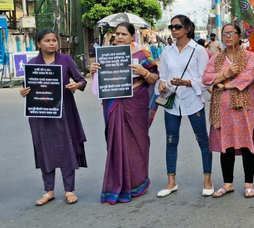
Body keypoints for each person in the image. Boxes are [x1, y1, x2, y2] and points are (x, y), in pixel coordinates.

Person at [90, 23, 160, 204]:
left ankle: (138, 183)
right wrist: (94, 72)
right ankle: (118, 185)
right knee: (116, 142)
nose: (119, 37)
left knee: (137, 142)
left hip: (136, 104)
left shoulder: (142, 55)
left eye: (124, 34)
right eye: (117, 34)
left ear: (132, 36)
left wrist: (143, 72)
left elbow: (154, 79)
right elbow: (100, 86)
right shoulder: (106, 56)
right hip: (114, 104)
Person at [20, 29, 88, 206]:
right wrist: (23, 92)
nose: (52, 43)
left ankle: (69, 190)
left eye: (54, 40)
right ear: (39, 44)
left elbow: (82, 80)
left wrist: (76, 85)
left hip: (64, 112)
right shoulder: (32, 63)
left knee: (66, 148)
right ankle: (48, 191)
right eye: (47, 41)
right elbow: (28, 88)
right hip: (40, 115)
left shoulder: (66, 60)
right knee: (45, 151)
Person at [203, 24, 254, 198]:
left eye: (232, 33)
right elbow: (206, 78)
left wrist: (223, 85)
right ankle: (227, 184)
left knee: (247, 146)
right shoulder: (216, 58)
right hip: (222, 110)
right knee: (226, 146)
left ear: (239, 36)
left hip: (243, 110)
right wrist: (226, 74)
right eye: (225, 34)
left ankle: (248, 184)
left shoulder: (249, 56)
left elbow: (248, 76)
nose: (228, 36)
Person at [157, 15, 213, 198]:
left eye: (177, 26)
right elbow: (163, 75)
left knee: (203, 141)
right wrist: (162, 83)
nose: (173, 29)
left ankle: (207, 180)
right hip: (172, 102)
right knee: (171, 141)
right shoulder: (167, 52)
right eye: (171, 26)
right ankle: (171, 182)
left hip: (192, 100)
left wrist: (187, 82)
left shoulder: (198, 51)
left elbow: (205, 80)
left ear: (187, 29)